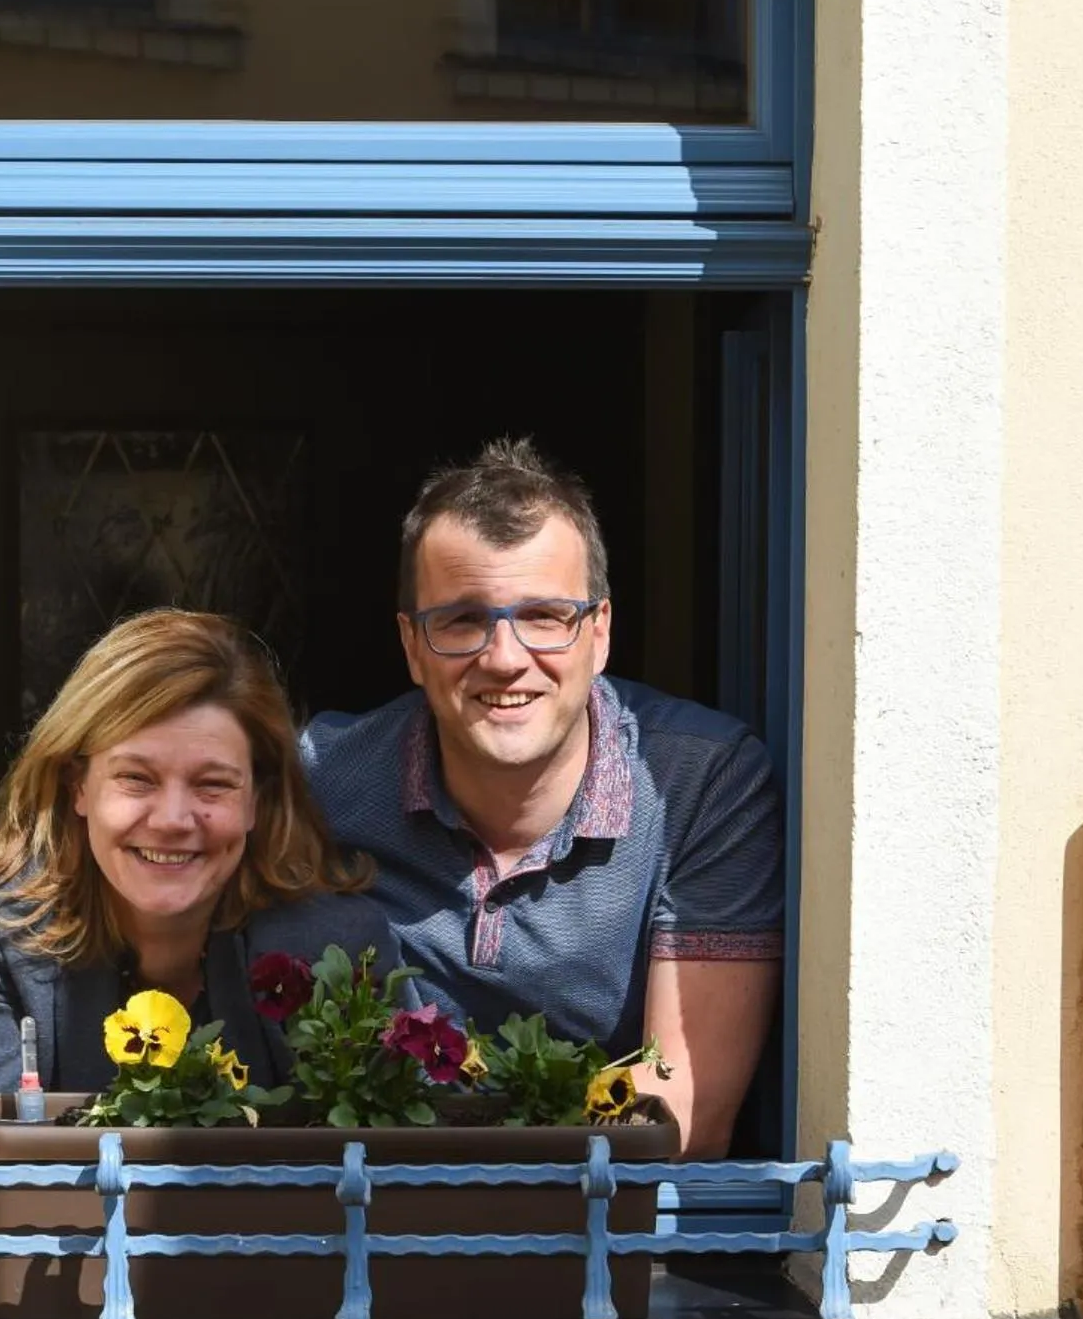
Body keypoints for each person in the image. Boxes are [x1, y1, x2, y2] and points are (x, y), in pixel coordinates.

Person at [301, 439, 784, 1156]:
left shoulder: (701, 784)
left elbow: (683, 1120)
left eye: (545, 616)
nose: (503, 656)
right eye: (462, 619)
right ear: (411, 645)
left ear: (599, 631)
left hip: (608, 1244)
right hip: (368, 1232)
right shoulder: (319, 779)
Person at [0, 609, 398, 1155]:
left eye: (212, 784)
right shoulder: (2, 919)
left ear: (255, 803)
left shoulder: (337, 946)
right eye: (136, 779)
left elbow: (382, 1193)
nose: (172, 819)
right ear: (78, 787)